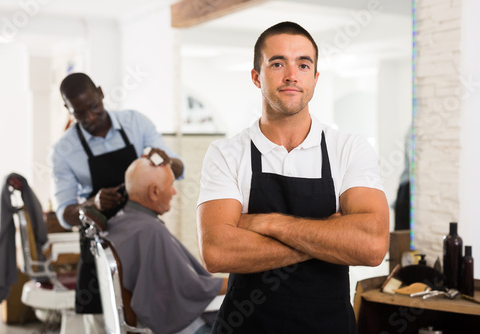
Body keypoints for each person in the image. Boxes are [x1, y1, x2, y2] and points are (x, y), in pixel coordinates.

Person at [196, 22, 389, 333]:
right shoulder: (226, 153)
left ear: (314, 78)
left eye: (303, 64)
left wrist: (268, 223)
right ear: (256, 77)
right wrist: (330, 235)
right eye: (277, 63)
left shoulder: (349, 149)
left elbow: (371, 246)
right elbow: (217, 252)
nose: (291, 75)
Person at [51, 72, 184, 331]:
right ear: (68, 110)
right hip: (99, 249)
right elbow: (64, 216)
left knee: (152, 314)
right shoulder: (63, 151)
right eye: (79, 113)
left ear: (101, 93)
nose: (90, 117)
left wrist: (166, 160)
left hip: (144, 240)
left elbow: (178, 168)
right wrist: (91, 203)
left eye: (94, 107)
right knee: (102, 321)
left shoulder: (136, 124)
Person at [107, 158, 227, 334]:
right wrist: (236, 281)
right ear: (154, 192)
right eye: (171, 185)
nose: (174, 191)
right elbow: (191, 289)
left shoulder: (121, 219)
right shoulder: (150, 230)